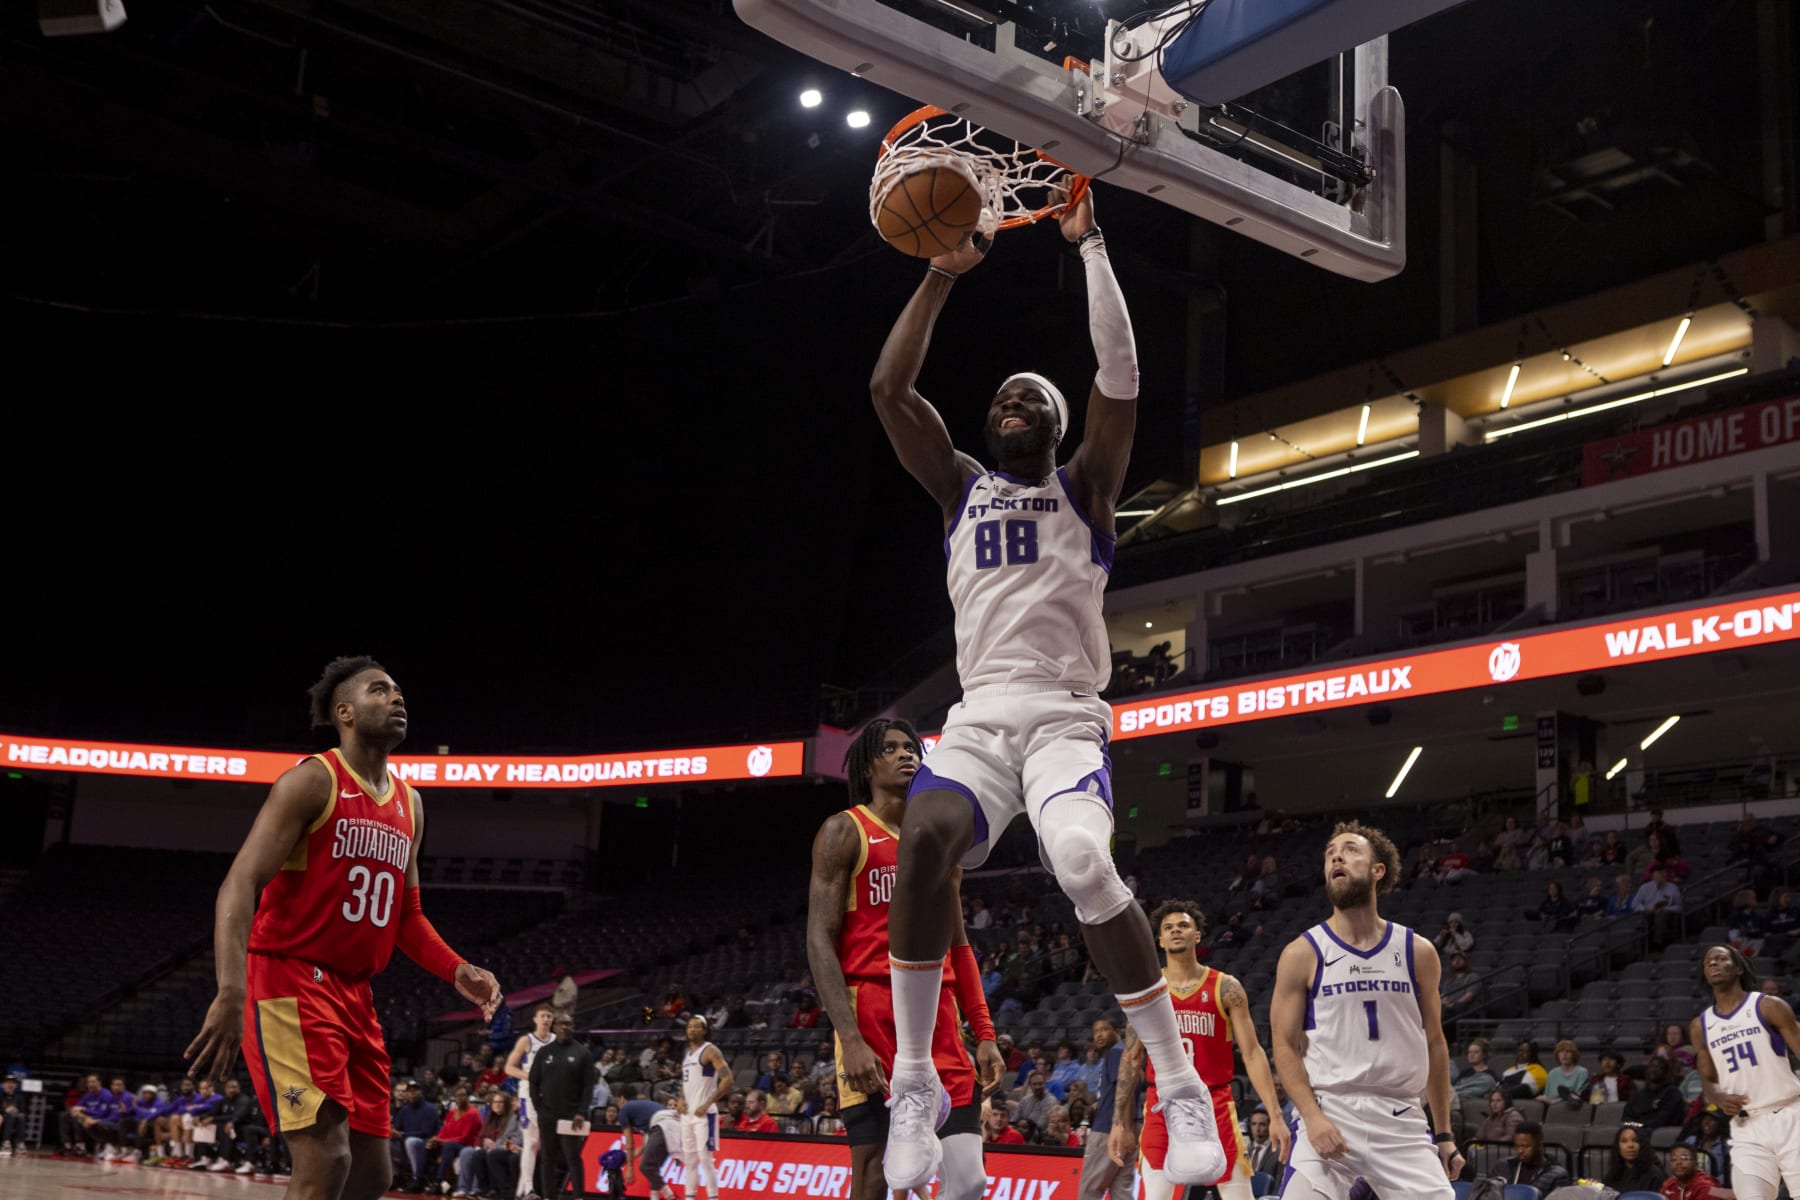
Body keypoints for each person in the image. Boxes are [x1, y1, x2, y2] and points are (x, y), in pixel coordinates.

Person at [869, 195, 1226, 1193]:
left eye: (1032, 397)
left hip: (1066, 714)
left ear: (1061, 423)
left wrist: (1090, 246)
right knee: (923, 842)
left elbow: (1124, 375)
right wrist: (942, 271)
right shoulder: (960, 488)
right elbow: (890, 387)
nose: (1013, 402)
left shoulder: (1087, 488)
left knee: (1079, 861)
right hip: (980, 715)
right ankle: (912, 1084)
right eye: (1003, 398)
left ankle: (1175, 1079)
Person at [184, 657, 502, 1200]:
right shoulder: (312, 780)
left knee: (373, 1174)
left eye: (400, 691)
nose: (398, 698)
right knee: (325, 1158)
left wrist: (456, 968)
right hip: (289, 982)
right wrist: (231, 990)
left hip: (356, 995)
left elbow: (406, 915)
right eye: (381, 691)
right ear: (345, 712)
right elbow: (238, 885)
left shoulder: (411, 804)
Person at [804, 719, 1001, 1200]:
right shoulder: (843, 831)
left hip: (939, 1018)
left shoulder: (937, 839)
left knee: (969, 1179)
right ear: (868, 764)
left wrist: (986, 1031)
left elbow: (959, 946)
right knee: (874, 1175)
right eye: (890, 748)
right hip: (872, 1014)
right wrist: (848, 1037)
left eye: (911, 747)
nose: (905, 754)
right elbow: (818, 940)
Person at [1269, 822, 1462, 1200]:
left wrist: (1444, 1135)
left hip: (1400, 1117)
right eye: (1330, 853)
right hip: (1330, 1111)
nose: (1336, 856)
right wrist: (1310, 1116)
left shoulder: (1417, 951)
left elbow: (1435, 1044)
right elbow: (1284, 1045)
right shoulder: (1301, 953)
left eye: (1351, 850)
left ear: (1378, 871)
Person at [1109, 899, 1291, 1200]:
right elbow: (1131, 1056)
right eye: (1168, 928)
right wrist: (1120, 1122)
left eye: (1183, 925)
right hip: (1161, 1104)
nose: (1175, 931)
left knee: (1238, 1195)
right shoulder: (1148, 990)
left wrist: (1275, 1114)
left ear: (1198, 935)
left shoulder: (1225, 987)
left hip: (1215, 1102)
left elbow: (1252, 1053)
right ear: (1160, 939)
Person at [1691, 944, 1800, 1200]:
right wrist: (1718, 1098)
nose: (1714, 964)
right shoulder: (1701, 1026)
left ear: (1738, 968)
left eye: (1721, 959)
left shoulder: (1768, 1006)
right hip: (1746, 1126)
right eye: (1708, 962)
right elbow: (1708, 1080)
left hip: (1790, 1115)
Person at [528, 1014, 594, 1199]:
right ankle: (549, 1196)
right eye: (561, 1024)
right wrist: (538, 1106)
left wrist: (581, 1111)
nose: (565, 1027)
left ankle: (578, 1196)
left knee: (572, 1157)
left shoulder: (583, 1053)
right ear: (554, 1027)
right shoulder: (544, 1052)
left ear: (573, 1027)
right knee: (547, 1158)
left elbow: (589, 1086)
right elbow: (533, 1082)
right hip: (547, 1114)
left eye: (569, 1024)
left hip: (572, 1116)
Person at [505, 1000, 558, 1193]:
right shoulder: (526, 1040)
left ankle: (524, 1190)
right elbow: (509, 1067)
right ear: (535, 1019)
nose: (545, 1019)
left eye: (549, 1016)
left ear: (553, 1020)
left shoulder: (556, 1040)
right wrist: (530, 1076)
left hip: (551, 1097)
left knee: (546, 1144)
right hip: (529, 1095)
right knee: (532, 1142)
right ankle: (528, 1189)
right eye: (542, 1016)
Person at [677, 1015, 732, 1200]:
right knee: (690, 1161)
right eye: (689, 1026)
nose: (692, 1029)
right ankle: (690, 1197)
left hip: (704, 1114)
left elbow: (728, 1079)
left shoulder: (710, 1050)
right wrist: (681, 1099)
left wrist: (707, 1103)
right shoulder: (688, 1053)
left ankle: (713, 1197)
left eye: (697, 1027)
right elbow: (688, 1083)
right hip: (687, 1115)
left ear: (705, 1030)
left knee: (706, 1160)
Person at [1078, 1018, 1134, 1200]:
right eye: (1096, 1031)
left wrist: (1118, 1124)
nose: (1099, 1034)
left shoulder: (1116, 1053)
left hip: (1108, 1129)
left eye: (1104, 1029)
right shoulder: (1123, 1052)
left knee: (1090, 1191)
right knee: (1122, 1191)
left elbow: (1125, 1090)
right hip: (1129, 1129)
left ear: (1117, 1031)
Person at [618, 1090, 682, 1200]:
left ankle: (669, 1195)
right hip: (677, 1126)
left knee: (645, 1167)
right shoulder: (645, 1110)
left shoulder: (624, 1109)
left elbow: (629, 1143)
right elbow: (644, 1147)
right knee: (653, 1169)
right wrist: (623, 1160)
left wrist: (630, 1167)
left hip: (663, 1125)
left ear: (622, 1099)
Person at [1498, 1121, 1570, 1193]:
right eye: (1517, 1146)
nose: (1520, 1151)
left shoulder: (1558, 1176)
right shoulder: (1503, 1166)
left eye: (1525, 1146)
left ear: (1539, 1145)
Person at [1605, 1124, 1665, 1193]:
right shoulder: (1612, 1175)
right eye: (1624, 1141)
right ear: (1618, 1147)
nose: (1630, 1145)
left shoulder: (1654, 1174)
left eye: (1635, 1140)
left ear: (1642, 1145)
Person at [1661, 1143, 1728, 1200]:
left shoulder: (1707, 1187)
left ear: (1696, 1164)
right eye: (1673, 1159)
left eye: (1684, 1159)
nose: (1678, 1162)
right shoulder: (1668, 1184)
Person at [1242, 1109, 1281, 1181]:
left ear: (1270, 1126)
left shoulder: (1278, 1152)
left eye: (1262, 1125)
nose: (1257, 1129)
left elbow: (1279, 1183)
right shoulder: (1245, 1151)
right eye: (1254, 1124)